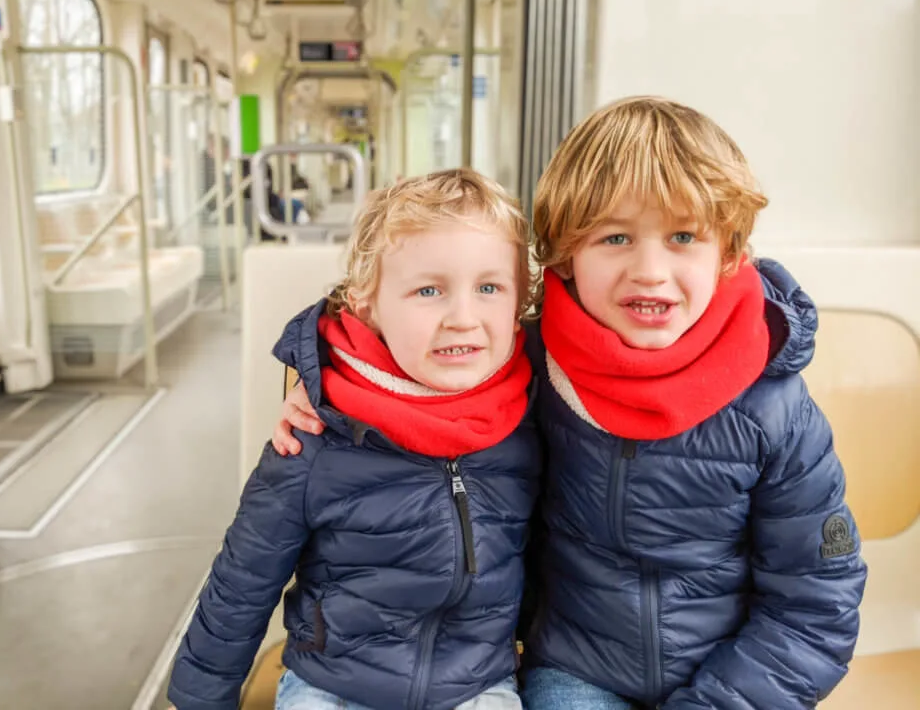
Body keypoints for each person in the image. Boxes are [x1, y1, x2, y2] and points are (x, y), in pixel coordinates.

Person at [271, 97, 868, 709]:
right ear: (565, 257)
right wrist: (318, 387)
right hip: (579, 672)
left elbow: (816, 606)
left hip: (736, 680)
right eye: (615, 237)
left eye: (684, 236)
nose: (650, 271)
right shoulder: (526, 362)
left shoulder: (774, 408)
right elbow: (404, 368)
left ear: (730, 254)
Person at [167, 168, 543, 710]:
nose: (463, 317)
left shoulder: (526, 415)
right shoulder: (316, 433)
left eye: (489, 288)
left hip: (475, 685)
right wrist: (200, 697)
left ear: (517, 308)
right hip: (333, 684)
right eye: (428, 290)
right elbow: (243, 579)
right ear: (366, 303)